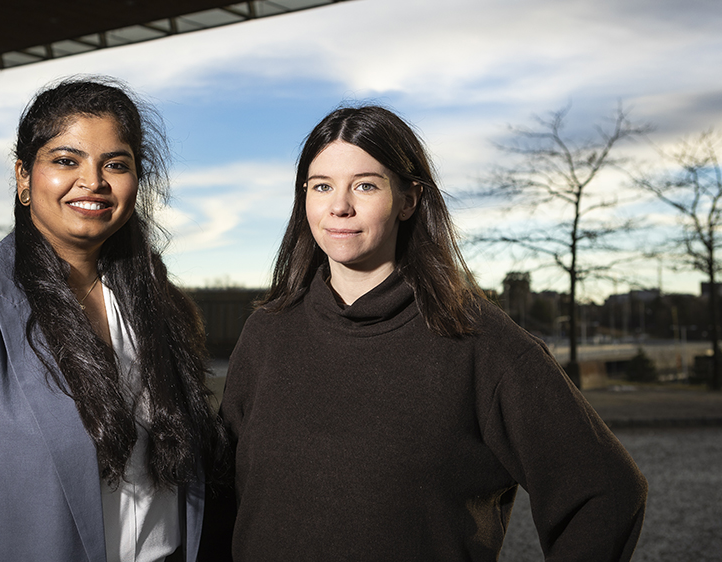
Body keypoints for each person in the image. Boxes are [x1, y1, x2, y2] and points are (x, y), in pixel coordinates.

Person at [215, 106, 647, 561]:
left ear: (409, 199)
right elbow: (220, 497)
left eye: (365, 185)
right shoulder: (268, 333)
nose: (339, 206)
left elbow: (605, 491)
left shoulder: (479, 343)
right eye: (322, 186)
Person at [0, 77, 225, 562]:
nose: (94, 182)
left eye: (116, 164)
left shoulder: (158, 306)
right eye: (67, 160)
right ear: (24, 176)